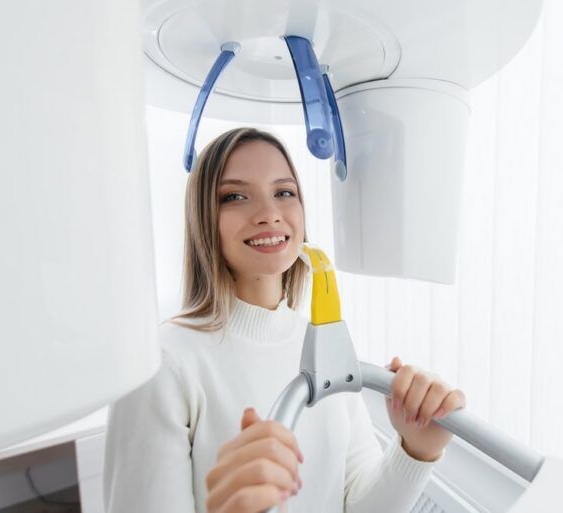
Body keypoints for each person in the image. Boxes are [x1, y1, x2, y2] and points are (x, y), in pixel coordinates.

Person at [103, 127, 466, 513]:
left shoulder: (324, 345)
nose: (269, 214)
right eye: (236, 196)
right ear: (203, 220)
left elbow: (357, 504)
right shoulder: (161, 363)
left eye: (284, 192)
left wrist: (415, 451)